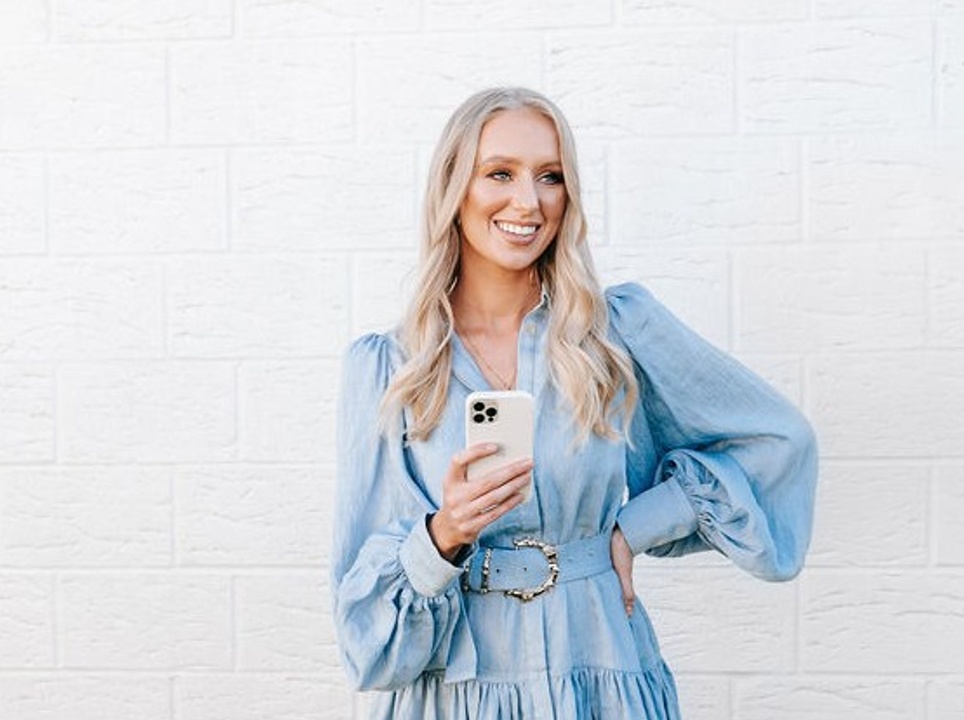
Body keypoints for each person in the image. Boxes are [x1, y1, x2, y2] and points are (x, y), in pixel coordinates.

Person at [331, 86, 818, 719]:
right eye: (499, 173)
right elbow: (366, 643)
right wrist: (444, 534)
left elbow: (779, 444)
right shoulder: (392, 367)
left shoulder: (617, 334)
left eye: (551, 177)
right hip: (453, 695)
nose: (528, 201)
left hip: (600, 674)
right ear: (454, 188)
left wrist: (634, 528)